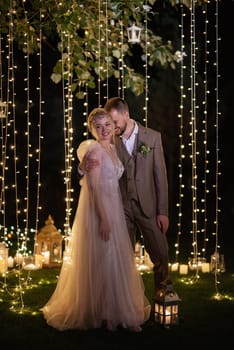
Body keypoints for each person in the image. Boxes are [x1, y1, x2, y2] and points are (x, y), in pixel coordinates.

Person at [41, 107, 151, 332]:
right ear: (91, 129)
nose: (103, 130)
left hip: (114, 208)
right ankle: (100, 311)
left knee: (113, 258)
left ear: (113, 127)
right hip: (98, 210)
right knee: (103, 257)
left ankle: (112, 309)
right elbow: (94, 187)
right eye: (98, 127)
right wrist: (104, 218)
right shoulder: (93, 151)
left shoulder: (111, 147)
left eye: (107, 125)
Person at [83, 97, 171, 295]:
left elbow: (161, 177)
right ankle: (126, 300)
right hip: (120, 209)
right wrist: (82, 167)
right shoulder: (109, 139)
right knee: (122, 258)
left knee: (161, 253)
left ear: (127, 115)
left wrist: (162, 211)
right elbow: (91, 157)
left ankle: (163, 294)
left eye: (114, 122)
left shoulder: (152, 137)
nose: (110, 127)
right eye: (108, 123)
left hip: (147, 205)